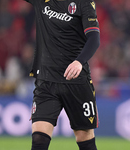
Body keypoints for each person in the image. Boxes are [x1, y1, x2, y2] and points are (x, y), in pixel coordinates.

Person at [24, 0, 100, 150]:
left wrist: (79, 61)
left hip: (76, 81)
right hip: (46, 81)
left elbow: (94, 39)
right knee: (39, 139)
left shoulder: (83, 3)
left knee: (85, 140)